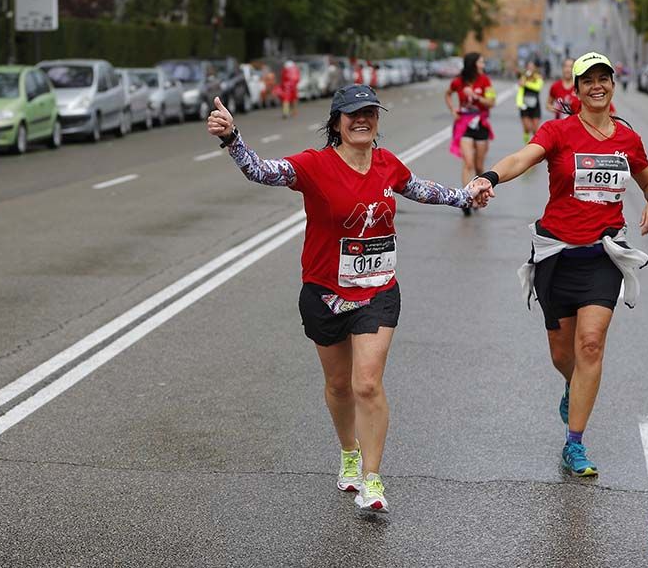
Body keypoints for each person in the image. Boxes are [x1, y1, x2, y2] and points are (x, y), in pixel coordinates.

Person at [207, 86, 487, 513]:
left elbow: (422, 189)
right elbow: (261, 171)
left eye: (370, 113)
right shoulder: (314, 165)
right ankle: (349, 453)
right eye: (354, 114)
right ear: (337, 122)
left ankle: (372, 479)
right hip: (325, 292)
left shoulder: (387, 163)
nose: (363, 120)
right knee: (339, 386)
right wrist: (233, 139)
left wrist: (465, 195)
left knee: (367, 383)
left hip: (378, 290)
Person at [469, 52, 648, 478]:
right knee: (564, 353)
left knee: (590, 344)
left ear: (613, 86)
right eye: (588, 80)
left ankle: (574, 443)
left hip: (603, 254)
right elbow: (522, 158)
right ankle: (570, 384)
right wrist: (489, 177)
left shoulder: (627, 140)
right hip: (556, 254)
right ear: (575, 90)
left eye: (604, 78)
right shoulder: (558, 131)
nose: (597, 86)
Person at [445, 52, 496, 216]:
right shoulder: (459, 81)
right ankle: (466, 199)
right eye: (481, 62)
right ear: (473, 64)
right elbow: (447, 93)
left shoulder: (485, 80)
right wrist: (453, 109)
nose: (483, 64)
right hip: (464, 124)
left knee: (479, 166)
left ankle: (479, 193)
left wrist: (476, 97)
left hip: (480, 124)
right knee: (468, 163)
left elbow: (491, 102)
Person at [516, 60, 544, 144]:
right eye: (528, 67)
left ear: (535, 68)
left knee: (535, 129)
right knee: (527, 127)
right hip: (524, 104)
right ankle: (526, 143)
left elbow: (538, 87)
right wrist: (519, 103)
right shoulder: (523, 77)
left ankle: (534, 145)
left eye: (532, 67)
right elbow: (520, 91)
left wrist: (526, 84)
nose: (530, 68)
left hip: (535, 105)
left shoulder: (538, 77)